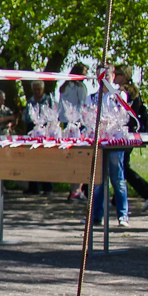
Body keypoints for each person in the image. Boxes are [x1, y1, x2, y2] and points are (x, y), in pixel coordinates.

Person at [113, 65, 148, 211]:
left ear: (125, 76)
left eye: (118, 74)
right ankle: (116, 200)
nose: (115, 77)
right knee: (120, 166)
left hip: (125, 134)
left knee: (122, 167)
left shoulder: (124, 92)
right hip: (130, 133)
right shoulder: (134, 92)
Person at [89, 80, 130, 227]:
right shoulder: (93, 97)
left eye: (107, 75)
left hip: (114, 143)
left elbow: (122, 115)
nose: (103, 78)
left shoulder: (119, 95)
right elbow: (89, 115)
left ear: (113, 77)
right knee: (98, 181)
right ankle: (96, 215)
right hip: (99, 142)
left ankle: (122, 215)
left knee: (117, 179)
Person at [59, 65, 89, 202]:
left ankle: (73, 189)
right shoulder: (80, 87)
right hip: (78, 124)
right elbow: (83, 105)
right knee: (80, 157)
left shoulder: (64, 87)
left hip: (65, 124)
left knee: (71, 157)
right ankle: (77, 189)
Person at [21, 81, 55, 194]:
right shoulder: (30, 101)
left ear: (43, 89)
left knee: (46, 161)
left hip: (46, 130)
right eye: (34, 89)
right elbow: (25, 118)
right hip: (32, 130)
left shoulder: (49, 100)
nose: (36, 91)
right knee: (32, 160)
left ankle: (47, 188)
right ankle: (33, 187)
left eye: (38, 89)